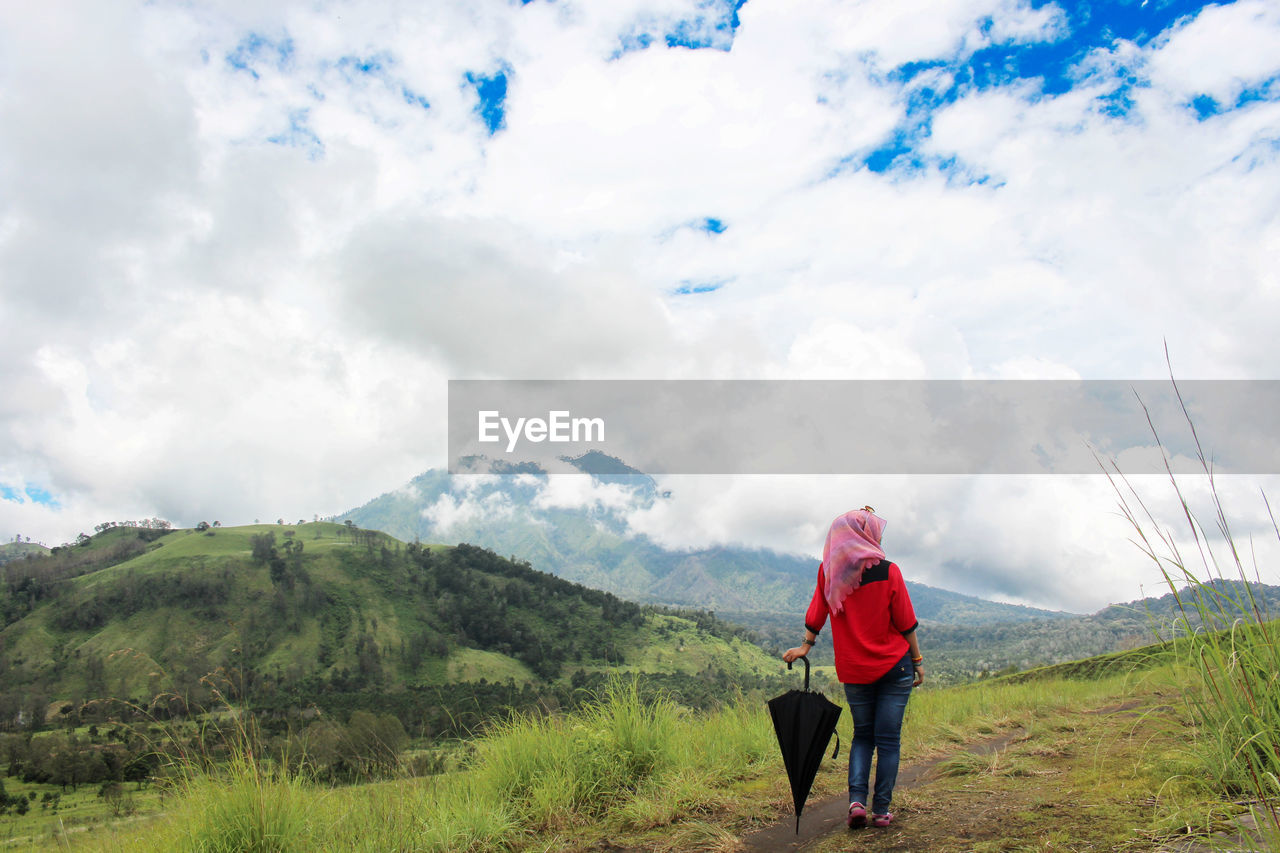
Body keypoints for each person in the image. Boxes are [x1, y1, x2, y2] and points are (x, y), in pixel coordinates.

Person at [783, 506, 923, 829]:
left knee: (862, 736)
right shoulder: (890, 572)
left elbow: (817, 611)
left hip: (855, 671)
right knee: (888, 740)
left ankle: (856, 803)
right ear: (867, 535)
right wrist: (917, 661)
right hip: (894, 669)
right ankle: (882, 811)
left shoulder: (829, 572)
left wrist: (805, 646)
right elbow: (906, 624)